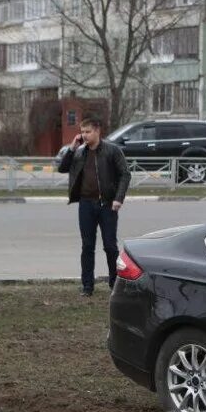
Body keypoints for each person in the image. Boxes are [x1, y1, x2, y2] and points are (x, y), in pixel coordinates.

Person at [57, 116, 131, 297]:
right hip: (86, 205)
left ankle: (115, 283)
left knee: (110, 246)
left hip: (107, 205)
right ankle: (87, 286)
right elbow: (62, 168)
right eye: (82, 132)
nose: (84, 135)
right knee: (87, 246)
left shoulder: (112, 151)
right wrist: (72, 148)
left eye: (88, 131)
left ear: (98, 131)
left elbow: (125, 174)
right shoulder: (80, 152)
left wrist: (118, 198)